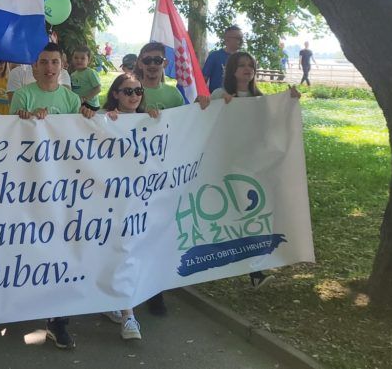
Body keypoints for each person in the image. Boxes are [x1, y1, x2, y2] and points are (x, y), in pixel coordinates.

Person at [8, 43, 96, 350]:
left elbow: (78, 138)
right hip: (29, 186)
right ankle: (15, 303)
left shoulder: (71, 99)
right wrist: (24, 119)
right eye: (43, 62)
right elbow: (9, 137)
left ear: (62, 67)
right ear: (35, 67)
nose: (49, 68)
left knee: (61, 250)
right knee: (29, 247)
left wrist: (87, 116)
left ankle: (58, 321)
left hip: (62, 188)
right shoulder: (23, 95)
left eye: (54, 62)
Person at [212, 51, 300, 290]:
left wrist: (289, 102)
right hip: (228, 165)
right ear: (232, 70)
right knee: (232, 217)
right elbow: (202, 118)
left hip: (254, 166)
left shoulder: (260, 98)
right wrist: (215, 106)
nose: (247, 69)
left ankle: (255, 271)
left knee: (253, 216)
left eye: (250, 65)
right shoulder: (220, 95)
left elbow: (274, 124)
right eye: (241, 65)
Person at [133, 41, 208, 314]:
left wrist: (201, 107)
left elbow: (186, 126)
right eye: (148, 60)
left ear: (165, 63)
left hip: (163, 176)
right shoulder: (130, 89)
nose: (152, 65)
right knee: (133, 233)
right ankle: (128, 289)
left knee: (158, 233)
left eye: (157, 60)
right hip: (132, 176)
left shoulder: (174, 95)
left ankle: (155, 291)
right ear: (140, 63)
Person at [98, 72, 163, 341]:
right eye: (127, 91)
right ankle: (123, 310)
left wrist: (156, 120)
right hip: (110, 201)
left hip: (140, 202)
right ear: (115, 94)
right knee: (117, 252)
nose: (134, 95)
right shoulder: (104, 119)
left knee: (130, 253)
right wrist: (103, 122)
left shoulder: (149, 119)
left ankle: (124, 310)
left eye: (138, 91)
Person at [201, 25, 243, 92]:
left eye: (241, 38)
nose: (241, 41)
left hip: (238, 97)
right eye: (238, 38)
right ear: (227, 39)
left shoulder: (244, 58)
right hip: (217, 97)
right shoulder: (215, 56)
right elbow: (203, 80)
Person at [69, 46, 101, 112]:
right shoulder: (73, 75)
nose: (79, 60)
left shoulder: (90, 72)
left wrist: (85, 98)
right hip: (79, 103)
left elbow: (98, 89)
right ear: (72, 59)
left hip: (90, 105)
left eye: (82, 58)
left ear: (88, 60)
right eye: (76, 58)